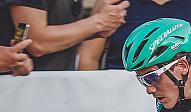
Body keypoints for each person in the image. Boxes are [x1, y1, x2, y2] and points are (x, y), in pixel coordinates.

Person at [0, 0, 129, 71]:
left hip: (57, 89)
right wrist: (98, 22)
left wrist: (95, 31)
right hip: (21, 92)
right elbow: (37, 42)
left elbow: (62, 28)